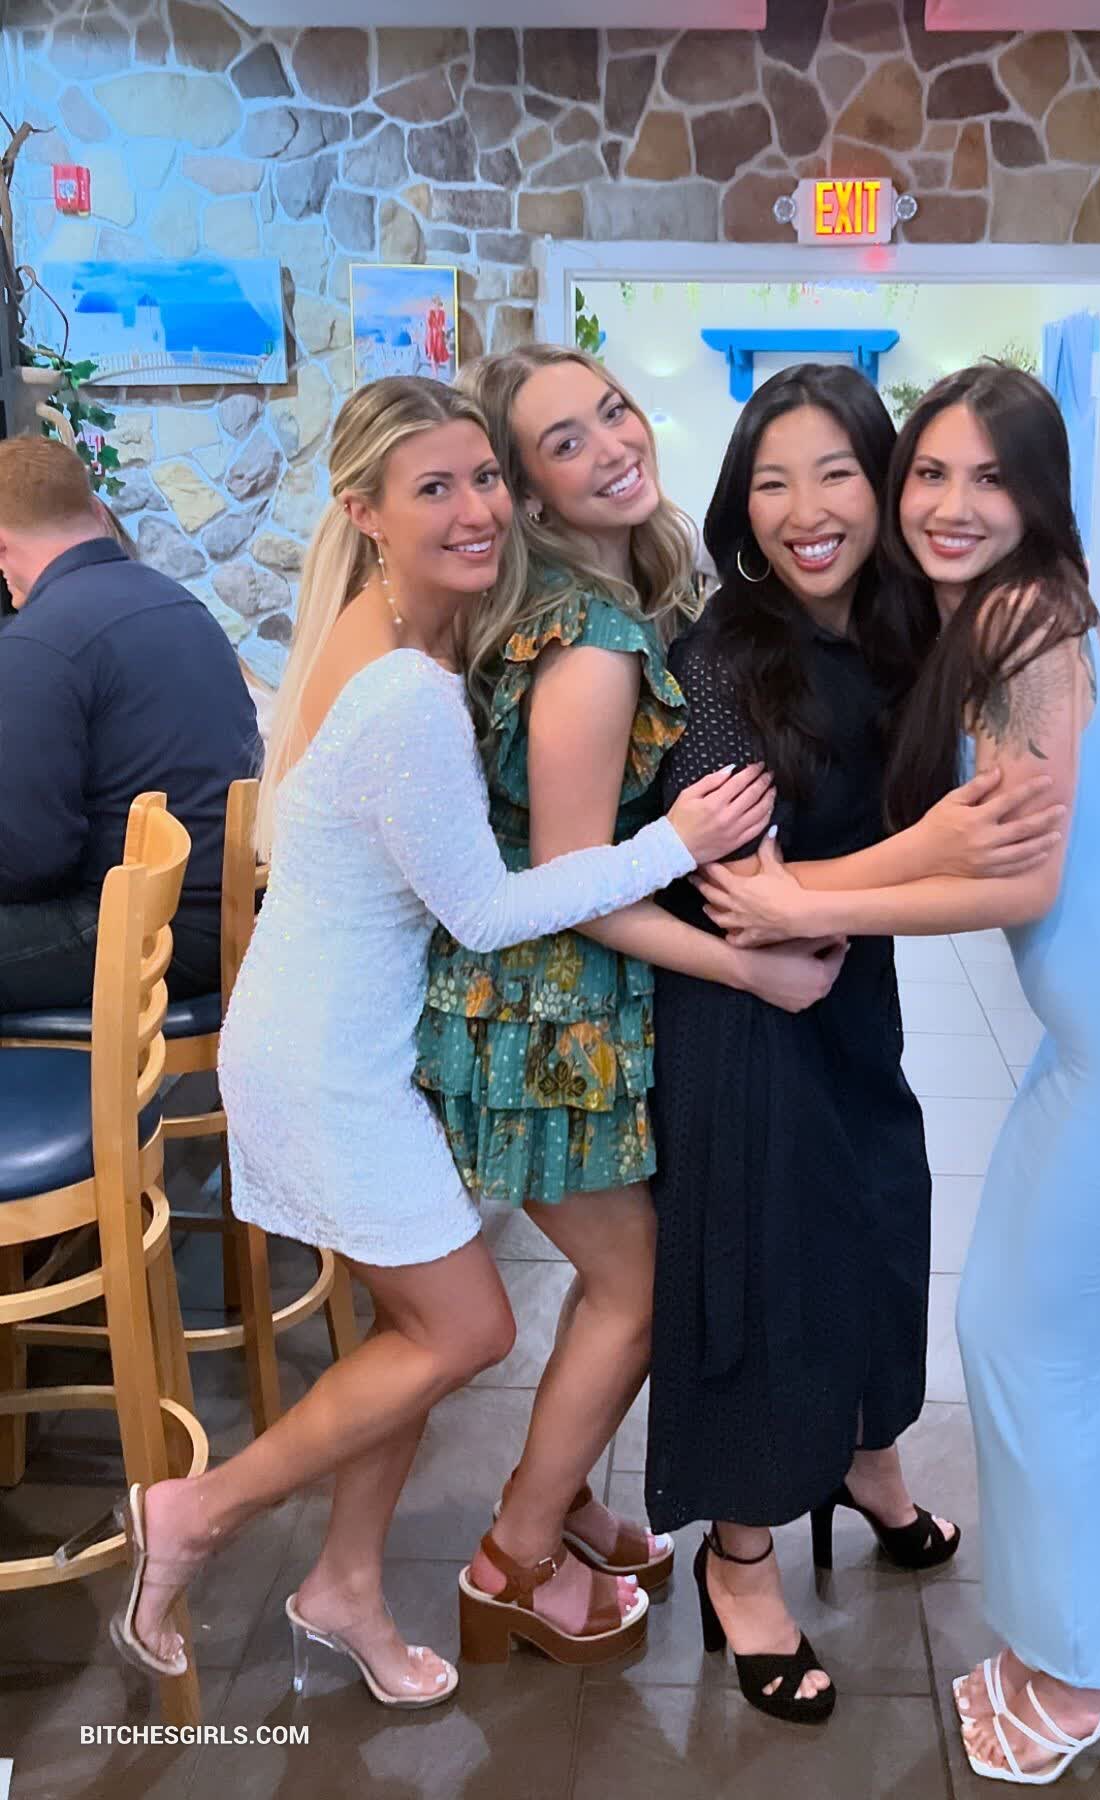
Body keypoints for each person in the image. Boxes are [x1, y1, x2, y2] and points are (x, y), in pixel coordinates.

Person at [110, 375, 775, 1704]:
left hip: (349, 1040)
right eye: (437, 489)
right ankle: (197, 1510)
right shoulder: (407, 688)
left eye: (483, 479)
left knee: (414, 1327)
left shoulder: (403, 633)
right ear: (365, 512)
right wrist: (677, 842)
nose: (476, 510)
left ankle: (344, 1585)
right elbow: (488, 912)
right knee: (464, 1330)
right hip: (326, 1065)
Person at [697, 364, 1100, 1781]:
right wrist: (805, 895)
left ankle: (1084, 1682)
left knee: (1035, 1349)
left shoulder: (1022, 616)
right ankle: (1084, 1649)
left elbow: (1015, 882)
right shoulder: (992, 620)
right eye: (932, 475)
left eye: (990, 478)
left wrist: (799, 900)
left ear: (1038, 497)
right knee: (1096, 1357)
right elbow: (980, 837)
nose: (951, 505)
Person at [647, 364, 1065, 1723]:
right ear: (742, 505)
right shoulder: (727, 655)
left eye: (836, 472)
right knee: (764, 1263)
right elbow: (738, 889)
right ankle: (740, 1560)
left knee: (885, 1217)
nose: (805, 510)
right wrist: (926, 847)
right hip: (743, 1006)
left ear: (879, 487)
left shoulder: (903, 634)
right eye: (772, 482)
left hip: (850, 986)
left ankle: (867, 1460)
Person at [416, 345, 845, 1666]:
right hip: (546, 1018)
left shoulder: (622, 593)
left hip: (564, 1011)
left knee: (621, 1280)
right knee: (640, 1289)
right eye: (564, 441)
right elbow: (568, 887)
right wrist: (749, 965)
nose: (611, 443)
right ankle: (512, 1561)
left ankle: (558, 1505)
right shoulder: (594, 643)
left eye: (611, 410)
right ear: (529, 491)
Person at [0, 437, 257, 1007]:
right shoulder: (180, 603)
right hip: (227, 920)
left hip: (141, 933)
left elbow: (31, 862)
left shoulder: (40, 641)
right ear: (97, 513)